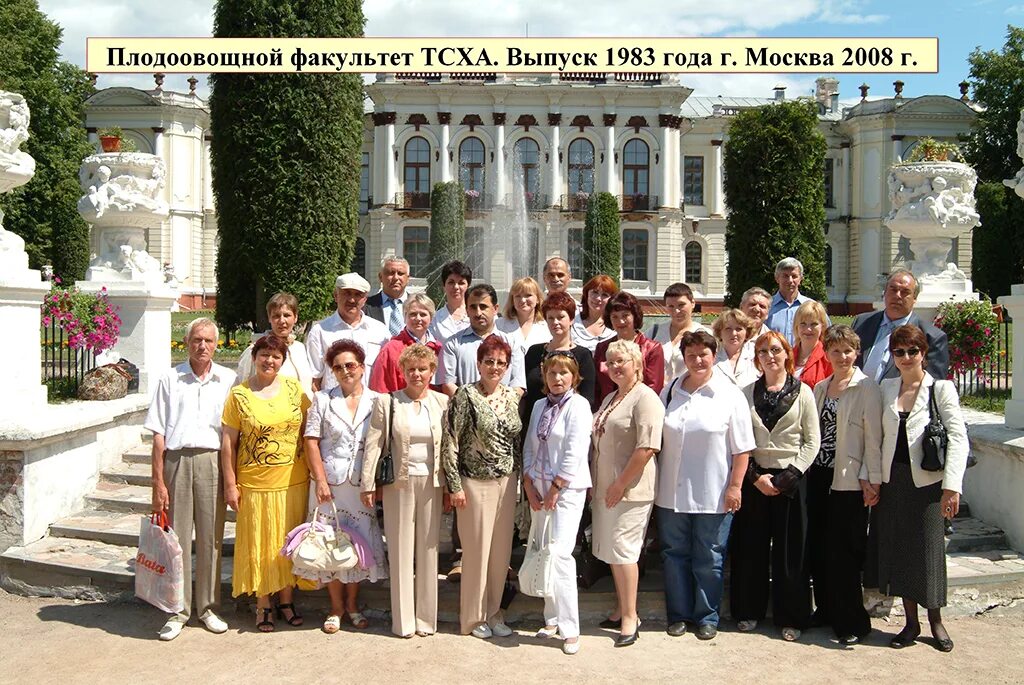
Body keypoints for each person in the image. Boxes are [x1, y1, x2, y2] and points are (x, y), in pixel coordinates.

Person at [869, 324, 968, 652]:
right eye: (900, 351)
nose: (906, 357)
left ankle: (936, 621)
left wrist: (951, 487)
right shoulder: (886, 387)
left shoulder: (940, 389)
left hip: (928, 484)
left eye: (913, 351)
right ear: (893, 356)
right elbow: (876, 437)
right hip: (893, 480)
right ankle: (910, 623)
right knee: (900, 551)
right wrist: (873, 478)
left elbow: (958, 437)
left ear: (924, 353)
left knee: (928, 553)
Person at [658, 331, 754, 641]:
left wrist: (735, 487)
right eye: (691, 354)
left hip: (714, 493)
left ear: (714, 355)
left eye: (704, 354)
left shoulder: (729, 395)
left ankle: (707, 616)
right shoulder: (671, 390)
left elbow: (742, 449)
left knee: (709, 557)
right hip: (670, 492)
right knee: (674, 555)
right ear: (683, 357)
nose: (698, 360)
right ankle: (679, 615)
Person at [144, 317, 234, 641]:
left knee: (211, 538)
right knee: (176, 541)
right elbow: (157, 435)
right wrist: (158, 482)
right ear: (186, 342)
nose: (202, 346)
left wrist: (231, 478)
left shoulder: (228, 379)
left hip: (212, 462)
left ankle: (208, 607)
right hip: (177, 461)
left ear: (216, 344)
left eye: (209, 341)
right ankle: (176, 611)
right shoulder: (170, 379)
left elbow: (229, 434)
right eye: (197, 340)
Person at [730, 331, 820, 642]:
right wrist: (755, 477)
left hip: (791, 480)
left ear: (786, 355)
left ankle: (791, 616)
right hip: (755, 479)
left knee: (790, 551)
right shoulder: (744, 393)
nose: (770, 355)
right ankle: (748, 610)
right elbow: (739, 439)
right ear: (757, 358)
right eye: (764, 351)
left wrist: (789, 476)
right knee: (750, 548)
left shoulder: (804, 392)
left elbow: (812, 441)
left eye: (776, 350)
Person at [221, 335, 311, 632]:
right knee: (260, 543)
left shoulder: (294, 389)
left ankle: (286, 600)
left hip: (293, 482)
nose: (269, 361)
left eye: (275, 356)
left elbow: (309, 430)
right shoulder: (239, 395)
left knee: (287, 543)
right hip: (254, 485)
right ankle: (262, 604)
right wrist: (231, 484)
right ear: (254, 356)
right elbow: (228, 443)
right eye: (264, 355)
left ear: (283, 361)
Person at [362, 344, 450, 638]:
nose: (416, 374)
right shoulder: (388, 402)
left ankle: (426, 619)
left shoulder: (442, 403)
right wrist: (367, 483)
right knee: (400, 550)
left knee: (428, 549)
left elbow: (450, 447)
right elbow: (374, 444)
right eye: (411, 369)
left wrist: (452, 485)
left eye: (422, 369)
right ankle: (403, 622)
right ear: (402, 371)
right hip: (398, 483)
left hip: (432, 482)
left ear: (431, 371)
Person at [301, 339, 388, 633]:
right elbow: (311, 441)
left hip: (362, 486)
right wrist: (320, 480)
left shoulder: (378, 401)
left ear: (362, 368)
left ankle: (353, 604)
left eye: (350, 365)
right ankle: (336, 607)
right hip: (331, 485)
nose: (345, 371)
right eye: (338, 367)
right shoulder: (322, 400)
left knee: (358, 546)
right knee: (331, 544)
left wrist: (375, 482)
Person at [442, 335, 522, 639]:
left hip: (506, 482)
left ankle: (494, 612)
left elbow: (517, 442)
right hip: (473, 484)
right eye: (489, 361)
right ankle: (473, 619)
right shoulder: (465, 395)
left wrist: (519, 481)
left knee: (500, 554)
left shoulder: (512, 397)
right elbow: (450, 442)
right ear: (478, 363)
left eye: (501, 362)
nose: (495, 367)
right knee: (476, 553)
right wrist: (454, 485)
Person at [807, 325, 882, 644]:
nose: (841, 356)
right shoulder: (821, 387)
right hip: (819, 476)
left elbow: (873, 438)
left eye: (847, 351)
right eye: (835, 350)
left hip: (850, 479)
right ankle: (824, 609)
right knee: (820, 547)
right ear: (826, 352)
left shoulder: (867, 388)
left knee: (845, 551)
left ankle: (852, 620)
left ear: (857, 352)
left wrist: (871, 477)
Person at [590, 340, 664, 647]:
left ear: (636, 363)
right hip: (607, 488)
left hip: (630, 490)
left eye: (622, 360)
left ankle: (631, 617)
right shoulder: (611, 396)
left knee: (625, 552)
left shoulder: (645, 398)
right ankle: (620, 607)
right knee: (613, 552)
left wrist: (620, 484)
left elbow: (646, 447)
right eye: (611, 362)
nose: (616, 366)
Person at [523, 352, 593, 655]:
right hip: (538, 487)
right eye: (552, 373)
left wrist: (555, 487)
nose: (557, 379)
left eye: (564, 373)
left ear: (573, 376)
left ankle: (570, 628)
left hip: (567, 490)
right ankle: (550, 618)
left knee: (561, 555)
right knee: (543, 550)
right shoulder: (539, 405)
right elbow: (528, 445)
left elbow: (576, 450)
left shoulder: (579, 406)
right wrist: (528, 483)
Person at [853, 269, 949, 382]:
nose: (897, 295)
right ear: (885, 292)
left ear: (914, 299)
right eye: (893, 290)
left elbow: (932, 384)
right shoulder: (862, 323)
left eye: (905, 292)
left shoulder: (931, 337)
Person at [520, 292, 596, 432]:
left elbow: (588, 398)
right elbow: (525, 393)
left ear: (571, 319)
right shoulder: (534, 352)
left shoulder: (583, 356)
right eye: (551, 318)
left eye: (561, 317)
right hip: (533, 426)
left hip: (568, 428)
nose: (555, 322)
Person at [306, 273, 391, 391]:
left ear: (365, 299)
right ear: (336, 295)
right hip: (333, 405)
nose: (351, 299)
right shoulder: (320, 331)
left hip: (371, 405)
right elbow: (315, 380)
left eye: (358, 295)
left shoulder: (380, 331)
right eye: (346, 293)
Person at [439, 283, 526, 397]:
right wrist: (473, 405)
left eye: (483, 307)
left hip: (501, 411)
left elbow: (518, 386)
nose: (478, 313)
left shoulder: (511, 343)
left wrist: (498, 405)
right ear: (467, 310)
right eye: (473, 307)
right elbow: (448, 384)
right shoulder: (452, 344)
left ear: (495, 309)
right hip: (466, 411)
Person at [235, 292, 314, 398]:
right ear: (269, 318)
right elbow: (242, 387)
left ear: (295, 317)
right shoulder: (254, 350)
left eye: (287, 315)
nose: (282, 321)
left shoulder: (299, 348)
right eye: (276, 316)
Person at [595, 291, 664, 404]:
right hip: (606, 410)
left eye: (625, 315)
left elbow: (654, 389)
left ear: (635, 316)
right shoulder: (602, 348)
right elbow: (596, 389)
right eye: (615, 317)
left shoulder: (652, 348)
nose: (620, 321)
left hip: (637, 410)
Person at [368, 292, 441, 393]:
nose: (418, 318)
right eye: (413, 314)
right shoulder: (391, 349)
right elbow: (380, 389)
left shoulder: (439, 348)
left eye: (423, 314)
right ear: (405, 317)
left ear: (431, 318)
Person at [647, 282, 710, 385]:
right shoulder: (654, 331)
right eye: (670, 306)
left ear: (693, 303)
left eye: (681, 305)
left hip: (689, 395)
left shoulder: (704, 334)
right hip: (658, 396)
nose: (676, 311)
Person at [766, 257, 829, 347]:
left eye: (794, 276)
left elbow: (827, 335)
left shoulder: (813, 307)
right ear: (777, 278)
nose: (790, 280)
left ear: (801, 279)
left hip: (806, 359)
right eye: (785, 276)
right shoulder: (766, 307)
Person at [497, 276, 552, 349]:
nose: (523, 300)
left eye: (528, 295)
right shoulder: (499, 325)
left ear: (538, 299)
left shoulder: (548, 325)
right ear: (512, 300)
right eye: (518, 296)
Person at [711, 308, 760, 388]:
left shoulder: (756, 356)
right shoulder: (711, 357)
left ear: (747, 332)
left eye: (739, 329)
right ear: (720, 332)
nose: (734, 333)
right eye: (728, 329)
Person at [428, 260, 472, 344]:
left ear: (468, 286)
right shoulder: (434, 320)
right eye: (451, 282)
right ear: (444, 286)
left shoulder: (476, 314)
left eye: (461, 283)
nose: (456, 287)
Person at [571, 275, 618, 353]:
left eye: (604, 295)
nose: (598, 298)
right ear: (587, 294)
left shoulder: (616, 323)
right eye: (595, 292)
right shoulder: (572, 320)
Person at [792, 300, 832, 388]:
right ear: (796, 326)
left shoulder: (829, 357)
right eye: (803, 324)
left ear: (823, 326)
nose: (808, 329)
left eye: (814, 324)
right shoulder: (787, 356)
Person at [365, 256, 411, 335]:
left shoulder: (419, 305)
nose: (395, 278)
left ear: (408, 278)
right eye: (390, 273)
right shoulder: (366, 305)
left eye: (400, 273)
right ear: (380, 277)